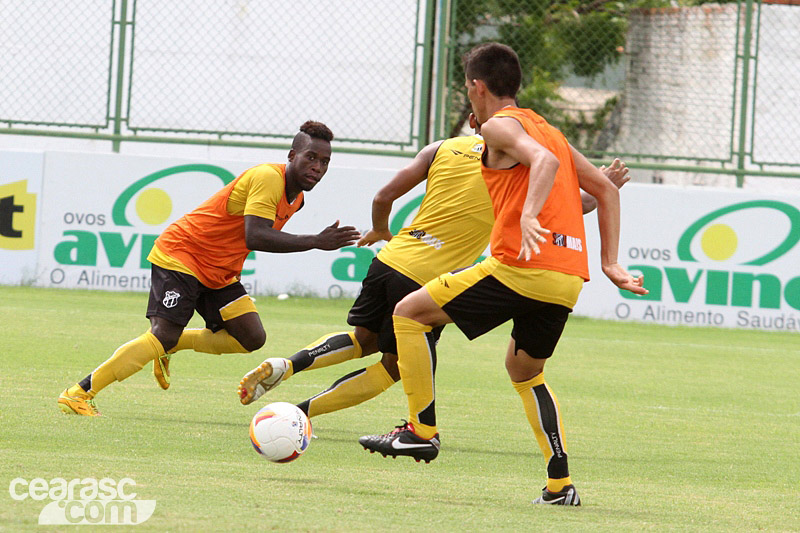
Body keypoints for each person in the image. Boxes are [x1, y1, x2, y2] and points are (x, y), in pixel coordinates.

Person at [358, 43, 647, 507]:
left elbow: (545, 164)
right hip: (566, 278)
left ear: (477, 86)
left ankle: (420, 431)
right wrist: (609, 262)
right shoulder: (549, 129)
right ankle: (559, 486)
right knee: (525, 371)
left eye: (466, 87)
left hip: (520, 266)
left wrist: (529, 215)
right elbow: (605, 191)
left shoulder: (498, 126)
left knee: (409, 314)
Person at [237, 114, 630, 424]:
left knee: (363, 338)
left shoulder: (440, 148)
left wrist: (381, 229)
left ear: (472, 121)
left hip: (391, 260)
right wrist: (602, 186)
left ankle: (288, 364)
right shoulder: (509, 168)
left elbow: (383, 195)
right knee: (392, 368)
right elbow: (569, 207)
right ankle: (298, 414)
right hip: (426, 282)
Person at [57, 121, 361, 416]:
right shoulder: (268, 178)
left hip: (218, 272)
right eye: (311, 157)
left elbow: (242, 237)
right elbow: (255, 235)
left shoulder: (298, 199)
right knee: (163, 334)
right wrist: (316, 241)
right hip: (183, 255)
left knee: (251, 337)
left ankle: (170, 346)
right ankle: (79, 393)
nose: (317, 167)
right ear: (292, 155)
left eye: (324, 162)